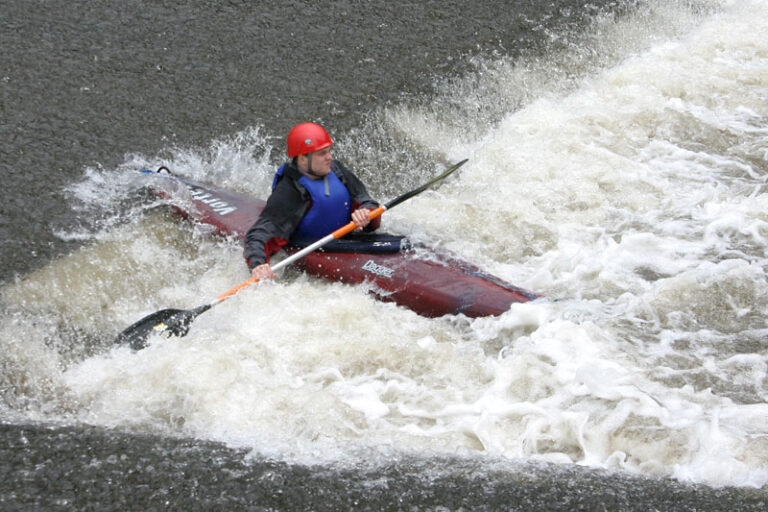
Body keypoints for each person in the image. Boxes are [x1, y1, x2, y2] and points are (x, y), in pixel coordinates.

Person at [244, 122, 380, 280]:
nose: (329, 157)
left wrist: (366, 213)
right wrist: (258, 265)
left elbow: (367, 202)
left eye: (329, 151)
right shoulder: (290, 191)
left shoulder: (337, 170)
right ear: (303, 159)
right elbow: (261, 233)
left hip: (348, 241)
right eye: (322, 153)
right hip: (313, 247)